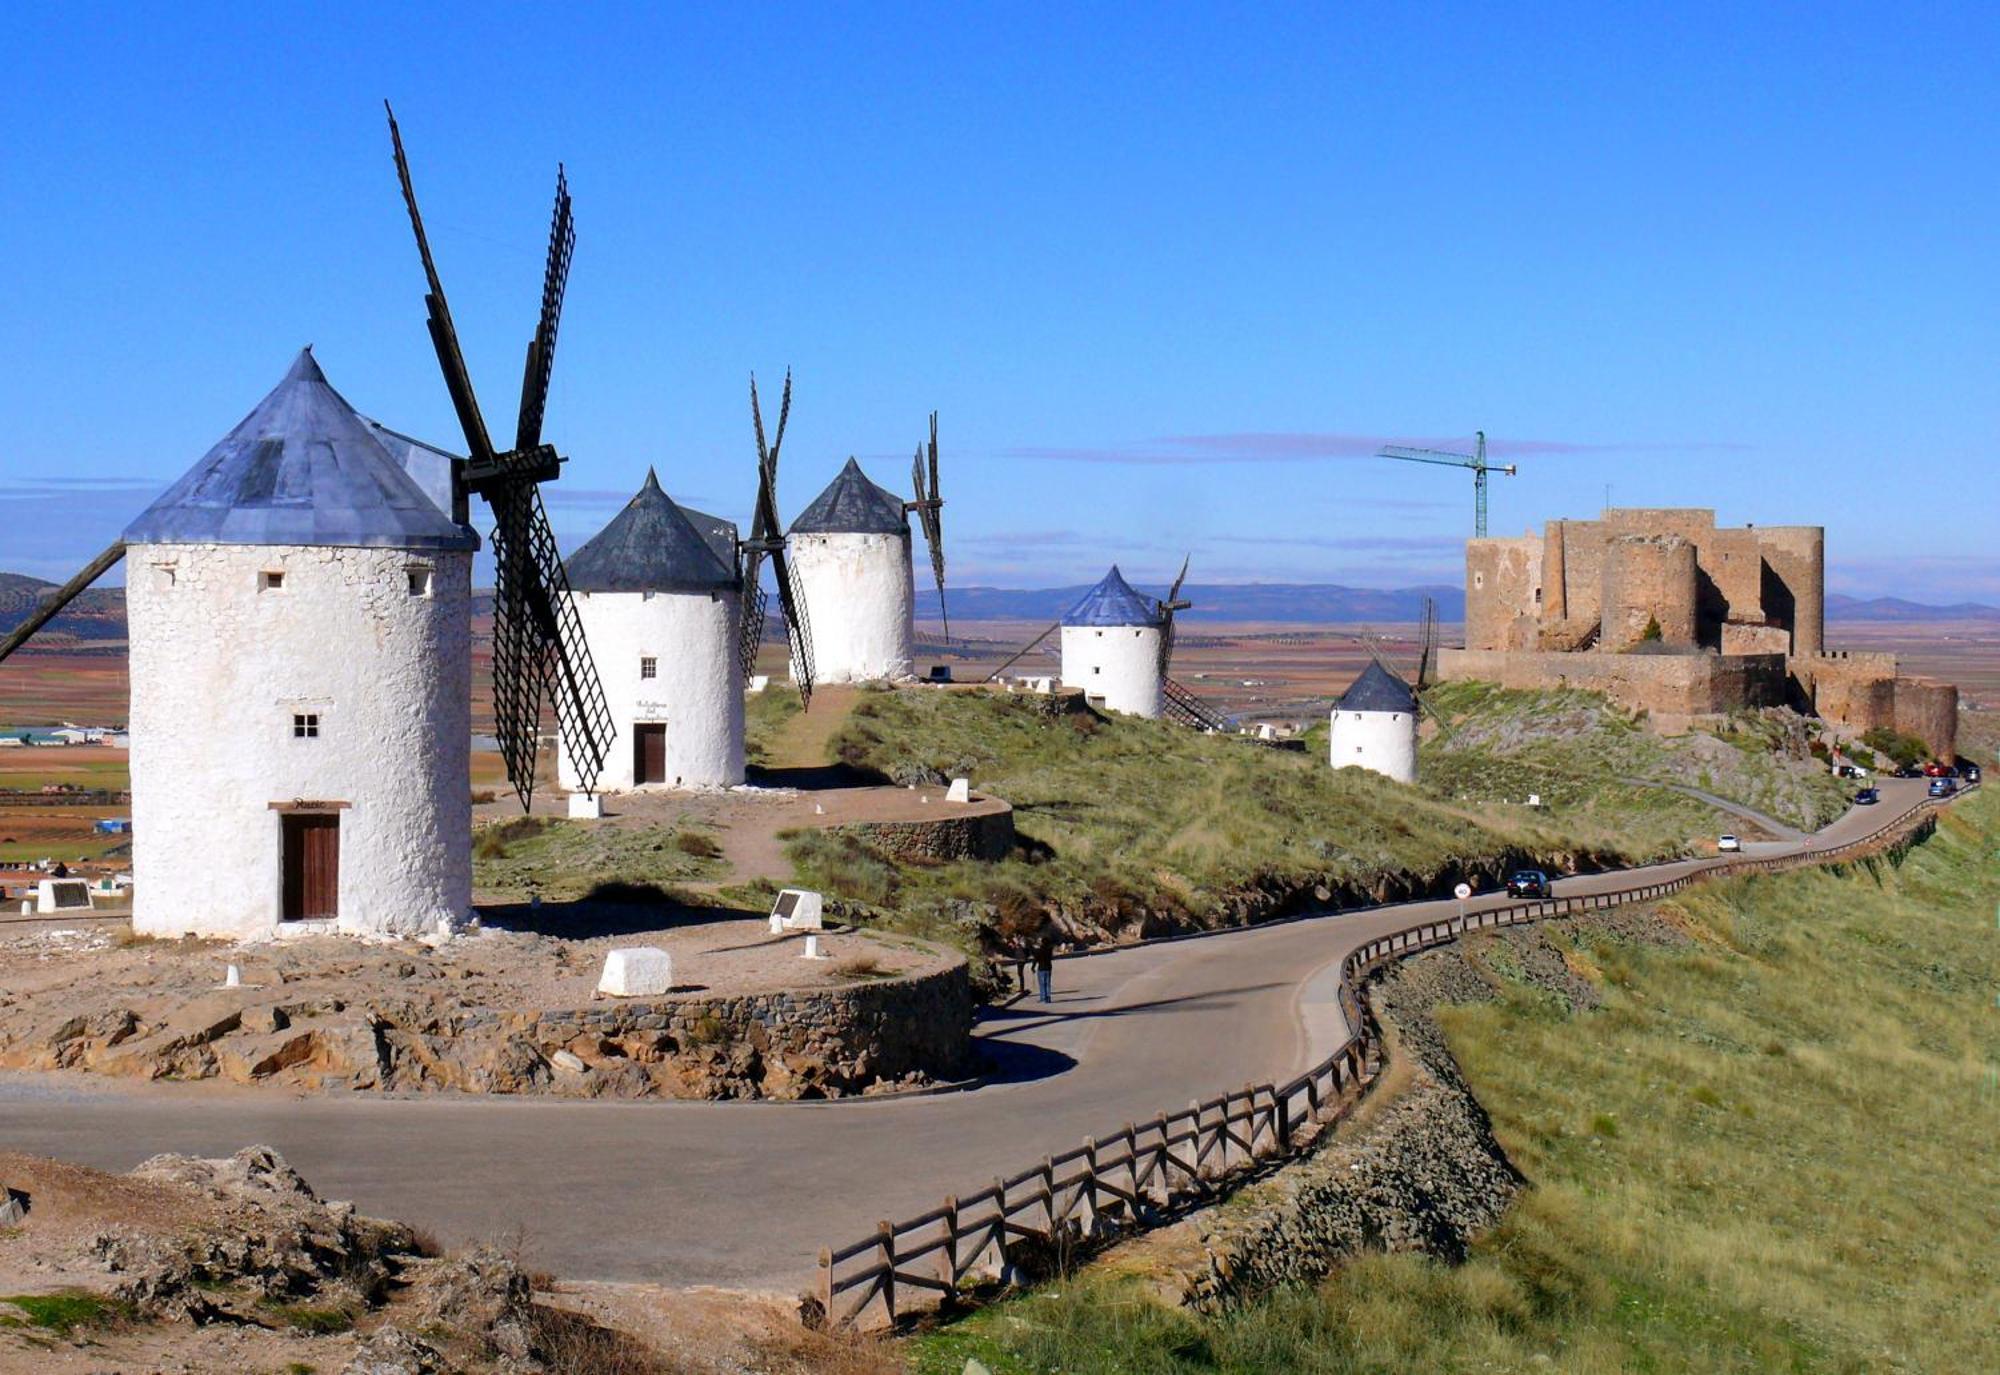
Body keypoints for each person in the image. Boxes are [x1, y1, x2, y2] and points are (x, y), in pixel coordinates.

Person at [1032, 927, 1056, 1004]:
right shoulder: (1049, 951)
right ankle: (1048, 998)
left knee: (1042, 984)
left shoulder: (1039, 951)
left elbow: (1035, 959)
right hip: (1048, 968)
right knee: (1048, 983)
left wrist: (1033, 967)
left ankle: (1043, 998)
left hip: (1041, 968)